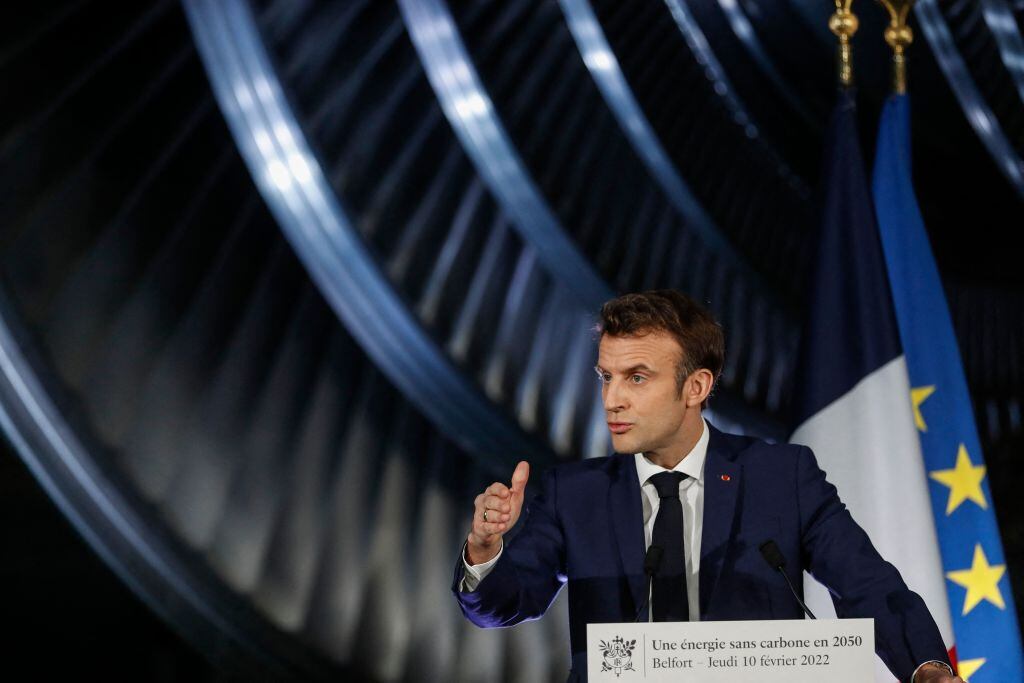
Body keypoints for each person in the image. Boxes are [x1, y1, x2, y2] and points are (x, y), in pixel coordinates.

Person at [453, 290, 961, 683]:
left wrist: (925, 666)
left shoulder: (782, 478)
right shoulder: (576, 492)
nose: (611, 400)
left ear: (695, 387)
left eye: (636, 377)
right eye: (605, 376)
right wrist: (485, 548)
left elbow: (867, 585)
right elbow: (504, 604)